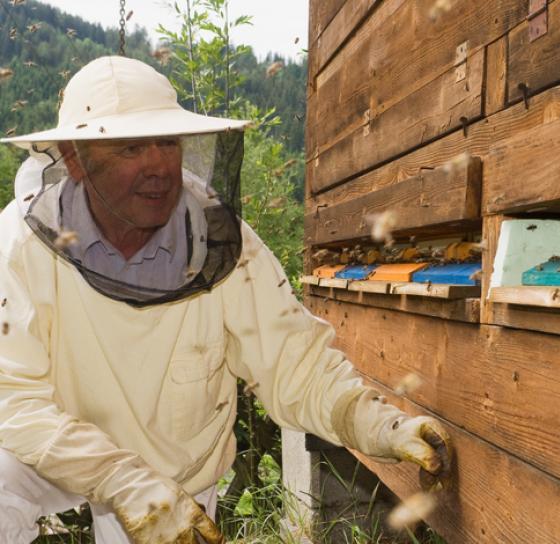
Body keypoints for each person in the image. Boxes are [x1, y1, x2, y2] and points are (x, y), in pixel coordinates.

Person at [0, 56, 451, 543]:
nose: (157, 166)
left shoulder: (220, 239)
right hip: (55, 448)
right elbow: (13, 399)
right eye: (131, 148)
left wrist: (378, 426)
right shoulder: (18, 248)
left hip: (176, 466)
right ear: (75, 158)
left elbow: (291, 363)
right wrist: (117, 477)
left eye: (167, 142)